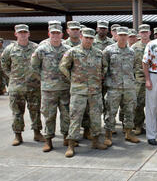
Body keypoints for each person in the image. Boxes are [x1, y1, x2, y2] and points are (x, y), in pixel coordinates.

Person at [59, 28, 108, 158]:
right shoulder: (73, 52)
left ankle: (96, 141)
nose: (88, 40)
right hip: (78, 91)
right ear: (81, 37)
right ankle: (71, 144)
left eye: (91, 38)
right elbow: (63, 66)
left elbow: (105, 67)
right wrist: (72, 79)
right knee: (75, 117)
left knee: (96, 117)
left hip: (95, 91)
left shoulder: (99, 53)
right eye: (86, 37)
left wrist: (99, 78)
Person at [1, 24, 45, 146]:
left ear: (29, 34)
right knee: (17, 112)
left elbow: (42, 64)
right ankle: (18, 135)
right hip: (16, 87)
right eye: (20, 32)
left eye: (25, 32)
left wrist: (38, 77)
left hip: (34, 86)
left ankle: (37, 133)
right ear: (16, 34)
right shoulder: (10, 49)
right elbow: (4, 64)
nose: (23, 34)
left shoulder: (36, 48)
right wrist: (11, 76)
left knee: (35, 111)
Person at [31, 24, 71, 152]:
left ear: (62, 35)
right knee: (49, 115)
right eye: (52, 33)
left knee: (66, 115)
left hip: (65, 88)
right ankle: (48, 140)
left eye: (57, 33)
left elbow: (72, 67)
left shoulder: (68, 49)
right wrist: (44, 80)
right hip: (48, 90)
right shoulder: (41, 50)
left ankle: (66, 137)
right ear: (49, 34)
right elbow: (34, 67)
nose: (55, 36)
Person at [103, 27, 140, 146]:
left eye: (125, 35)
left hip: (129, 87)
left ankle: (129, 133)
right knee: (110, 111)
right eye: (121, 35)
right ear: (116, 36)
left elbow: (134, 67)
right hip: (114, 87)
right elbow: (104, 68)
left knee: (130, 111)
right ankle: (108, 135)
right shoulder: (108, 50)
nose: (123, 37)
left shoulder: (131, 52)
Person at [131, 24, 151, 135]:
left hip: (153, 78)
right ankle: (138, 125)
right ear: (139, 34)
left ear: (150, 33)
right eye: (142, 32)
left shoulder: (155, 45)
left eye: (146, 32)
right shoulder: (134, 47)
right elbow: (131, 64)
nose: (144, 34)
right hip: (139, 79)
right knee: (138, 104)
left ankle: (154, 126)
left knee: (154, 104)